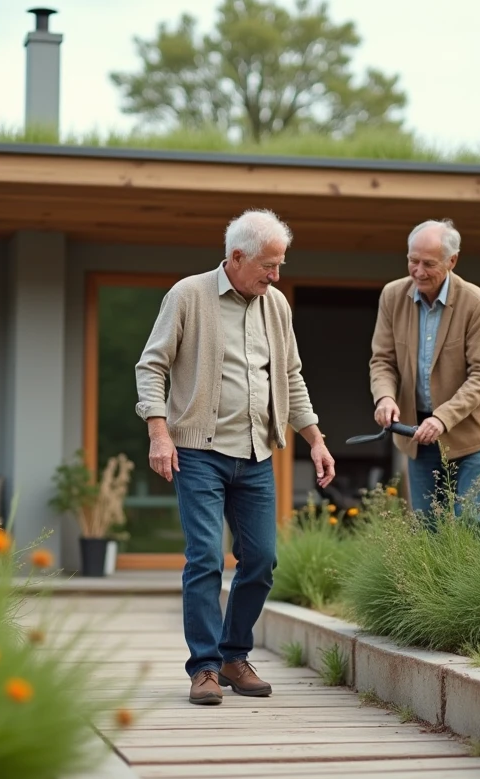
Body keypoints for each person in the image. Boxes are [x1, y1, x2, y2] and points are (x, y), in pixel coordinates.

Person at [135, 208, 336, 706]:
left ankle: (233, 656)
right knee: (205, 557)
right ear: (237, 257)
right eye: (269, 266)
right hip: (198, 452)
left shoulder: (276, 306)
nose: (276, 276)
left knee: (261, 560)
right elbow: (151, 366)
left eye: (280, 265)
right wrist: (159, 433)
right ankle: (204, 667)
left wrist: (315, 438)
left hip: (256, 453)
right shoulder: (188, 295)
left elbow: (290, 376)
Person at [368, 218, 480, 532]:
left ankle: (474, 570)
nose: (418, 271)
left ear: (451, 261)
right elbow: (383, 361)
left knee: (469, 522)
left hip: (472, 432)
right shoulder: (392, 296)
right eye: (412, 261)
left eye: (429, 264)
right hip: (418, 434)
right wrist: (385, 397)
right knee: (426, 526)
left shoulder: (475, 303)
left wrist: (442, 418)